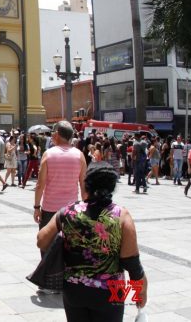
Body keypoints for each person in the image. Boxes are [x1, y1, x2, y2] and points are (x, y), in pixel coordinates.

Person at [37, 162, 148, 320]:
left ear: (86, 184)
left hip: (74, 288)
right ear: (112, 187)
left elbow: (41, 241)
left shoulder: (67, 211)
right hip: (110, 292)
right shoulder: (121, 215)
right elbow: (130, 260)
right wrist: (141, 287)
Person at [34, 121, 86, 251]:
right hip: (71, 210)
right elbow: (84, 184)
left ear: (57, 134)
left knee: (46, 247)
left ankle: (49, 271)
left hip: (50, 210)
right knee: (70, 247)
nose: (51, 136)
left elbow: (40, 184)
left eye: (53, 133)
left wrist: (36, 206)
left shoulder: (48, 154)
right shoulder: (79, 155)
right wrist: (86, 207)